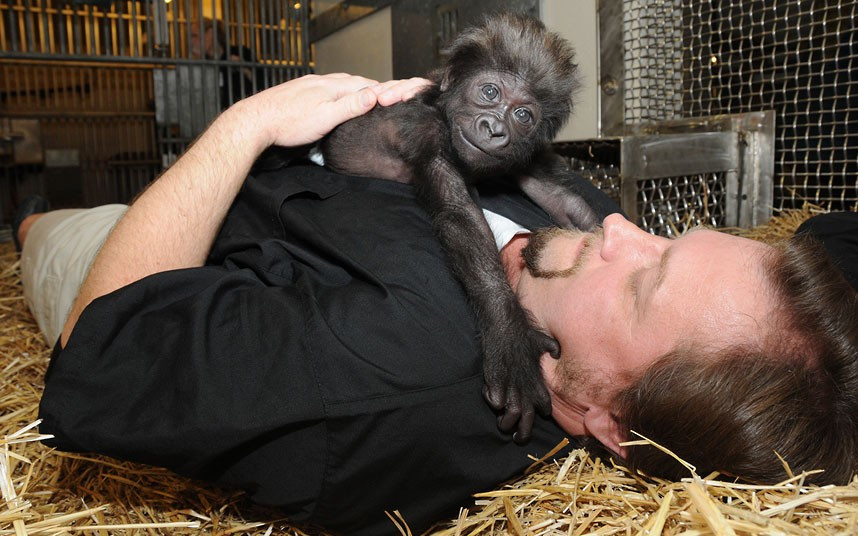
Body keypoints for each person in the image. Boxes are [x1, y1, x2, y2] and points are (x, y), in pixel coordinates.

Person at [16, 74, 858, 534]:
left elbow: (102, 354)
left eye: (644, 281)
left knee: (42, 228)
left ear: (603, 416)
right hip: (287, 181)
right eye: (668, 239)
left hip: (173, 229)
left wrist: (248, 123)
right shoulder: (565, 282)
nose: (621, 230)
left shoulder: (394, 367)